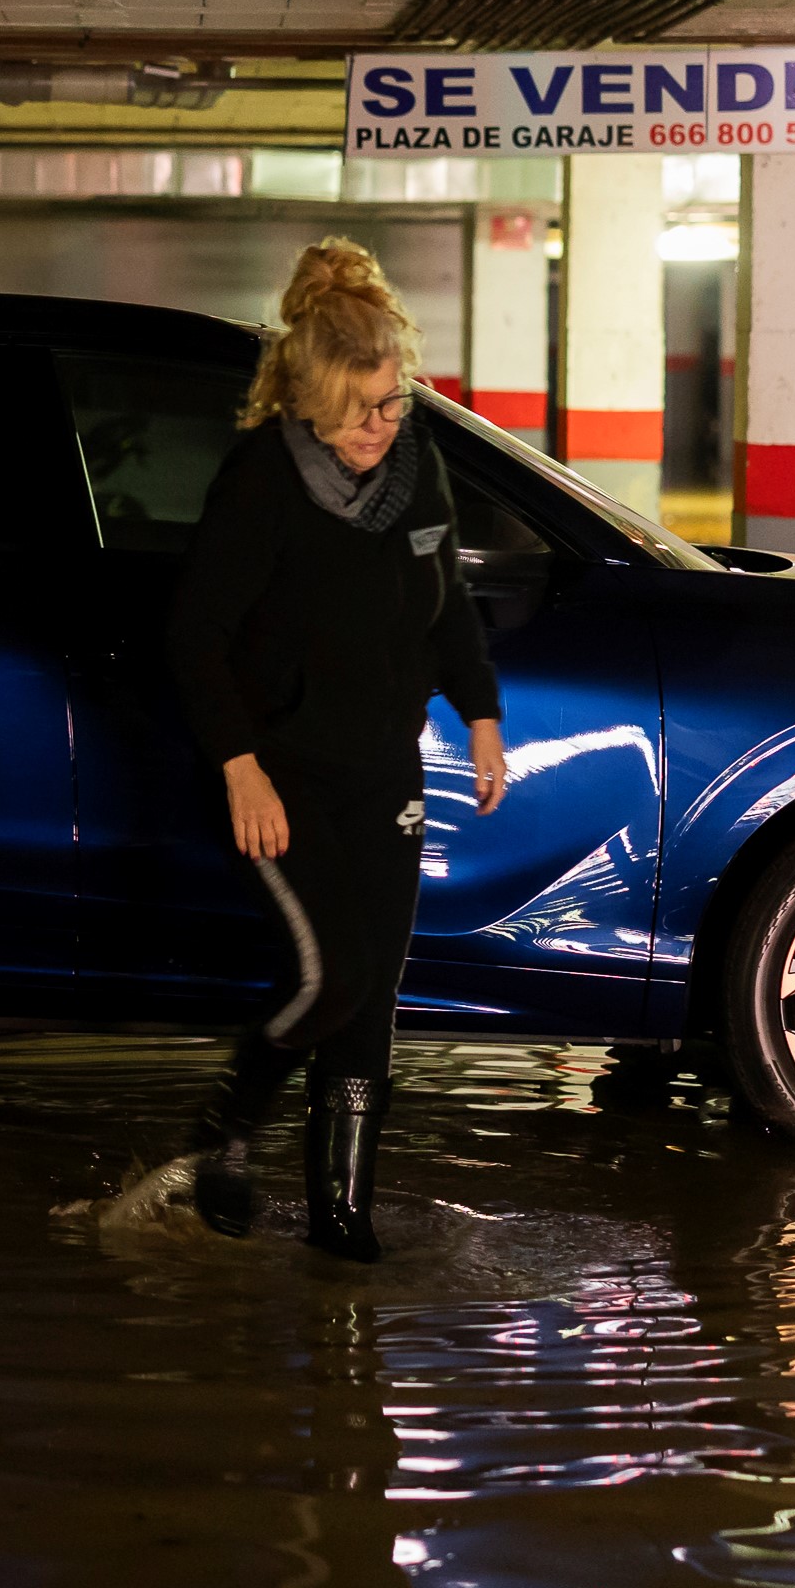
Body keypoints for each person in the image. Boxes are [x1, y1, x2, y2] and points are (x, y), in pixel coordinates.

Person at [166, 238, 506, 1262]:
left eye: (394, 402)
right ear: (309, 395)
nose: (380, 425)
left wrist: (480, 714)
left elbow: (445, 608)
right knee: (334, 980)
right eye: (361, 407)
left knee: (374, 995)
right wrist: (239, 763)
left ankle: (340, 1212)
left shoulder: (418, 466)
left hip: (382, 772)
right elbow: (194, 635)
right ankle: (219, 1138)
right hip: (283, 775)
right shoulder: (262, 479)